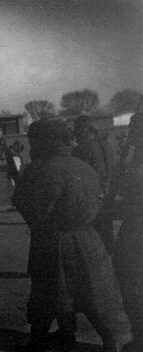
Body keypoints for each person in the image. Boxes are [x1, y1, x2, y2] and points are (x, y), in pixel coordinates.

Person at [12, 120, 129, 352]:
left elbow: (36, 212)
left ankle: (40, 342)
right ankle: (110, 342)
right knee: (93, 294)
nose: (30, 145)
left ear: (45, 141)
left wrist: (19, 185)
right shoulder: (84, 167)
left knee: (48, 293)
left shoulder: (40, 169)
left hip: (52, 242)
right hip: (87, 239)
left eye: (33, 140)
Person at [113, 111, 143, 351]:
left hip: (138, 227)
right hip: (134, 225)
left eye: (136, 127)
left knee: (130, 283)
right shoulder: (134, 156)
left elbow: (130, 192)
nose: (131, 132)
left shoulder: (137, 159)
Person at [72, 115, 116, 254]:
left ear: (84, 130)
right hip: (107, 195)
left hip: (90, 199)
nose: (76, 135)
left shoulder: (82, 149)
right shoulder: (106, 146)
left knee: (91, 242)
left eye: (77, 131)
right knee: (106, 237)